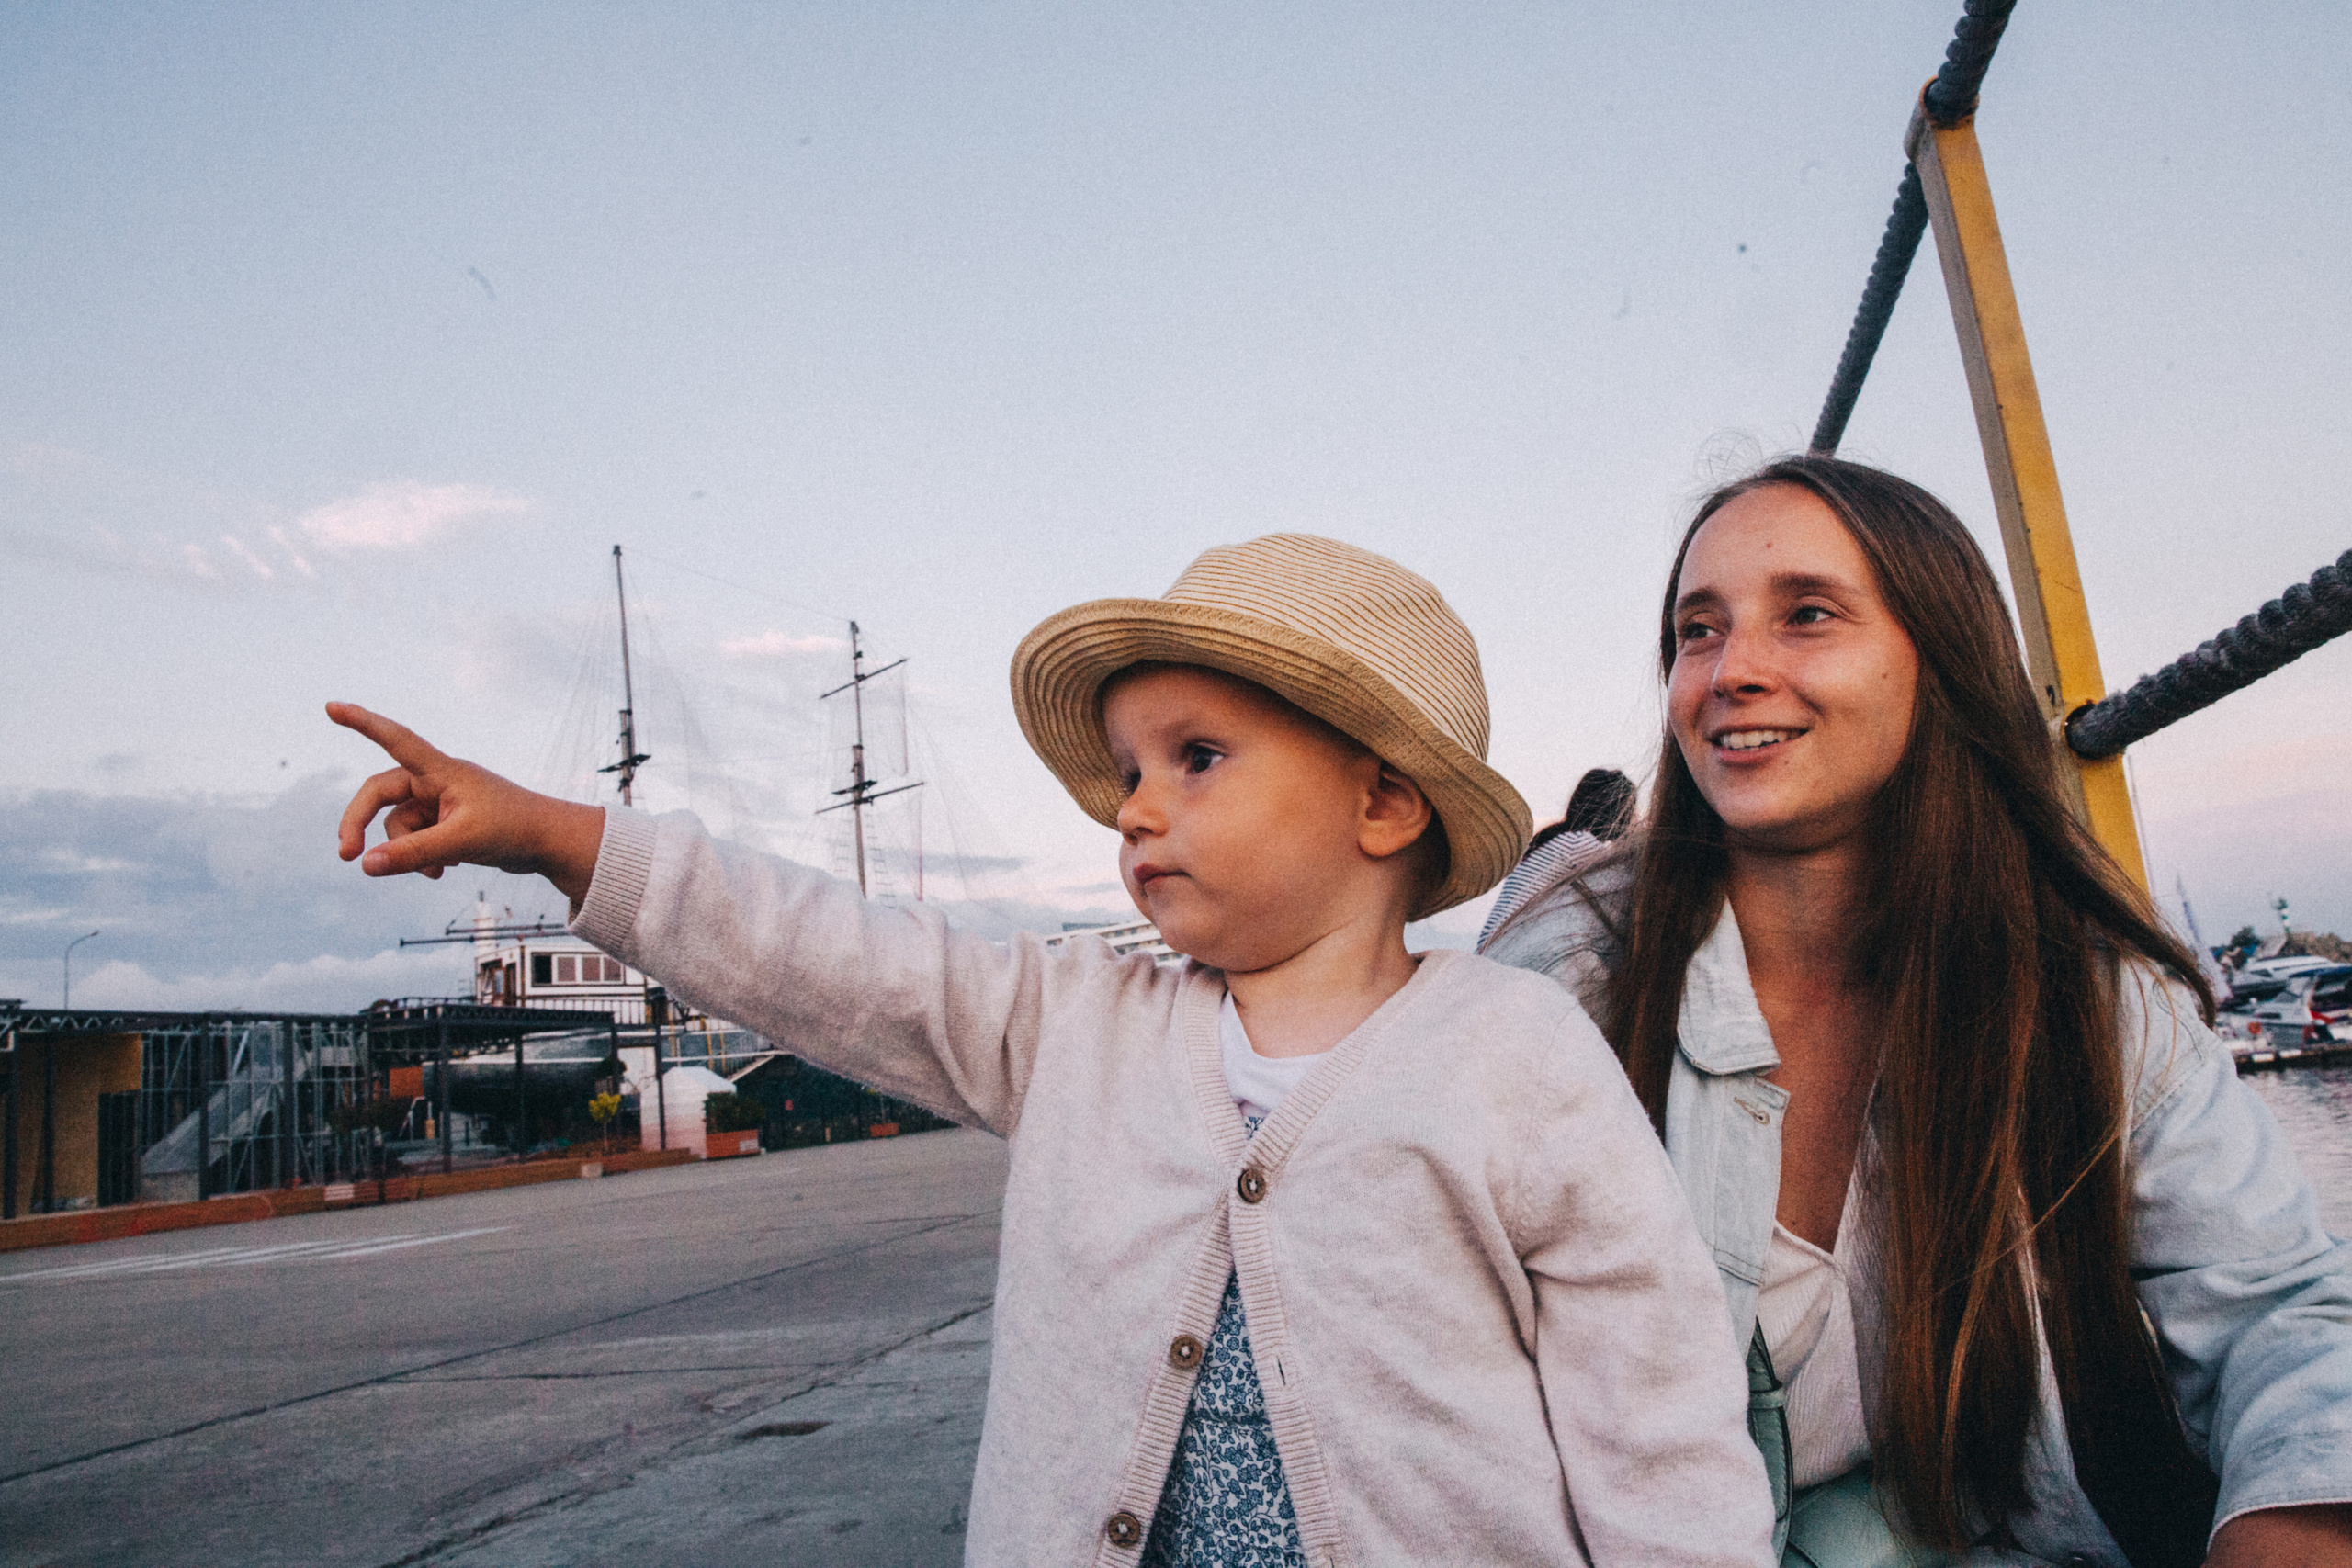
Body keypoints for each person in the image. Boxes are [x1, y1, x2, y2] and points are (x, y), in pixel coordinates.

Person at [330, 533, 1776, 1567]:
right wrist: (554, 834)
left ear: (1385, 803)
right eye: (1129, 771)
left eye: (1195, 757)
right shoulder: (1073, 1023)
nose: (1134, 808)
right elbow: (822, 953)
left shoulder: (1514, 1050)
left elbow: (1653, 1414)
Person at [1483, 456, 2352, 1567]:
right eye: (1697, 631)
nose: (1730, 670)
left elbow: (2272, 1310)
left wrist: (2295, 1520)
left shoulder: (2083, 991)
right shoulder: (1572, 971)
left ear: (1938, 661)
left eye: (1805, 616)